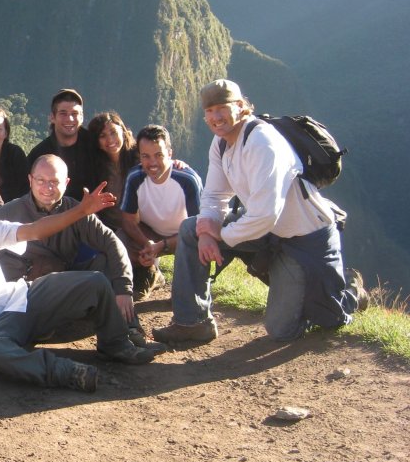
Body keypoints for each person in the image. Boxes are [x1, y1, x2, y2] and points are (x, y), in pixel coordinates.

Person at [0, 169, 166, 392]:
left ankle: (116, 344)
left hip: (18, 303)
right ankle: (66, 373)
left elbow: (35, 230)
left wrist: (81, 211)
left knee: (94, 282)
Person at [152, 79, 368, 346]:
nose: (215, 117)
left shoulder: (262, 142)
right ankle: (192, 323)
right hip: (264, 230)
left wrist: (221, 233)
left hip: (306, 236)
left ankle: (350, 293)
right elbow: (215, 195)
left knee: (292, 327)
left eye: (222, 108)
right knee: (191, 230)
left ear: (240, 106)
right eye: (209, 110)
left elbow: (267, 214)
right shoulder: (221, 143)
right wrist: (207, 230)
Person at [0, 154, 148, 345]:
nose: (48, 188)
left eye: (55, 182)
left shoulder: (76, 210)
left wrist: (124, 289)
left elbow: (111, 242)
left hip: (65, 279)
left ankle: (128, 328)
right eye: (41, 180)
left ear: (66, 183)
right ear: (30, 180)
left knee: (102, 263)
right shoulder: (5, 214)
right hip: (25, 290)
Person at [119, 125, 203, 299]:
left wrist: (162, 246)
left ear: (170, 154)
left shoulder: (187, 180)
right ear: (139, 156)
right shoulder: (135, 177)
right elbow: (128, 221)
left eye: (159, 155)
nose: (152, 163)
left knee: (197, 243)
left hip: (184, 236)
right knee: (121, 239)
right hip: (150, 234)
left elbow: (199, 227)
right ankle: (146, 276)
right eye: (146, 156)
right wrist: (147, 243)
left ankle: (189, 296)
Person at [26, 88, 99, 201]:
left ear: (82, 117)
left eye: (74, 114)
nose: (69, 119)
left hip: (94, 213)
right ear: (52, 117)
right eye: (63, 113)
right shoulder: (40, 154)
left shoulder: (96, 146)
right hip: (54, 215)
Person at [86, 111, 138, 231]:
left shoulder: (139, 156)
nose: (110, 140)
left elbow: (160, 161)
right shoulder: (94, 167)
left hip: (141, 226)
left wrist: (177, 164)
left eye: (113, 133)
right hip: (110, 229)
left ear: (123, 133)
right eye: (102, 136)